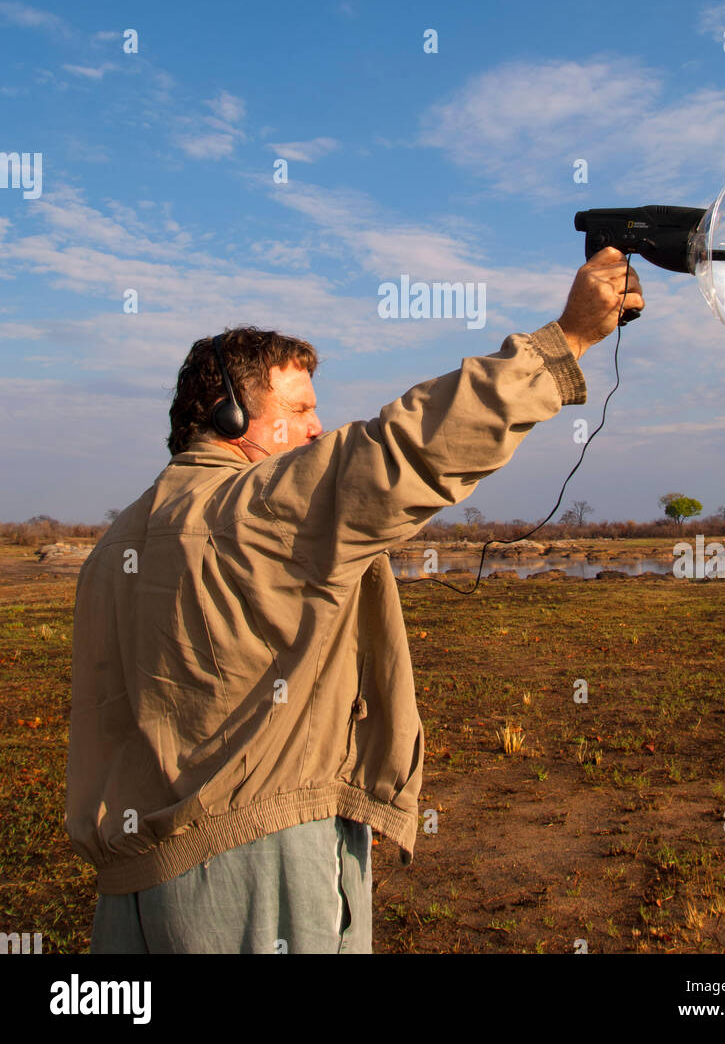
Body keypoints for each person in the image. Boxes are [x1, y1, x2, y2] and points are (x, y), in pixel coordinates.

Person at [64, 247, 643, 953]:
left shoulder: (113, 544)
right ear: (225, 412)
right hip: (257, 857)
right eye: (301, 409)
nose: (316, 429)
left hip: (134, 881)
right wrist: (566, 341)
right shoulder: (255, 509)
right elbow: (408, 450)